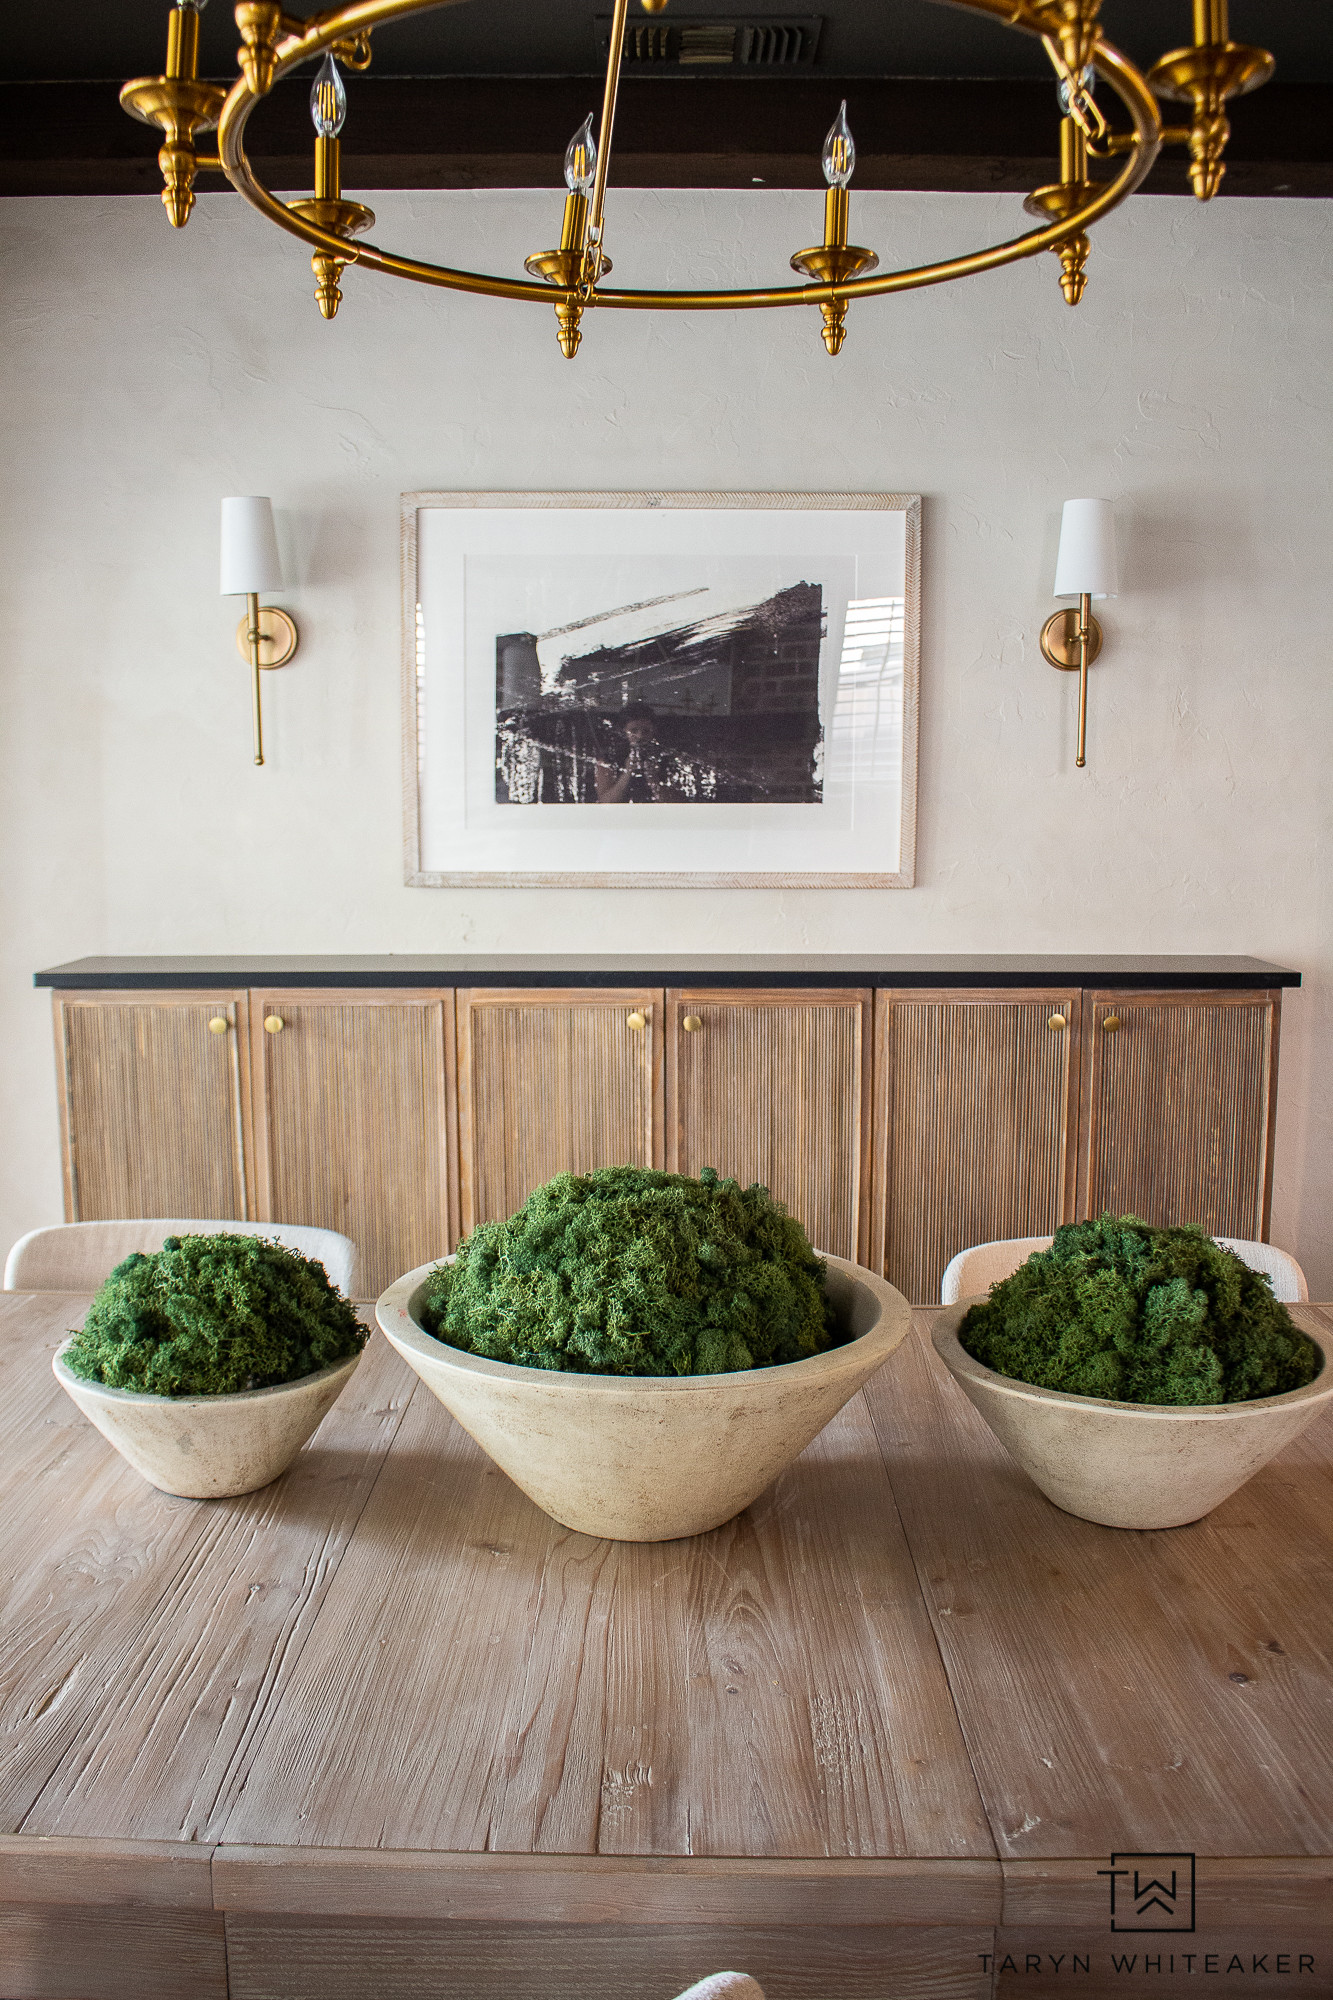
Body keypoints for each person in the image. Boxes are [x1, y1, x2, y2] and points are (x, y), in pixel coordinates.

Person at [596, 702, 667, 802]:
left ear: (654, 731)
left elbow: (679, 804)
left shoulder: (665, 757)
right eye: (633, 731)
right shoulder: (608, 759)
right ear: (623, 732)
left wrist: (653, 778)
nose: (640, 736)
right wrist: (627, 772)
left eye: (646, 731)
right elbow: (605, 802)